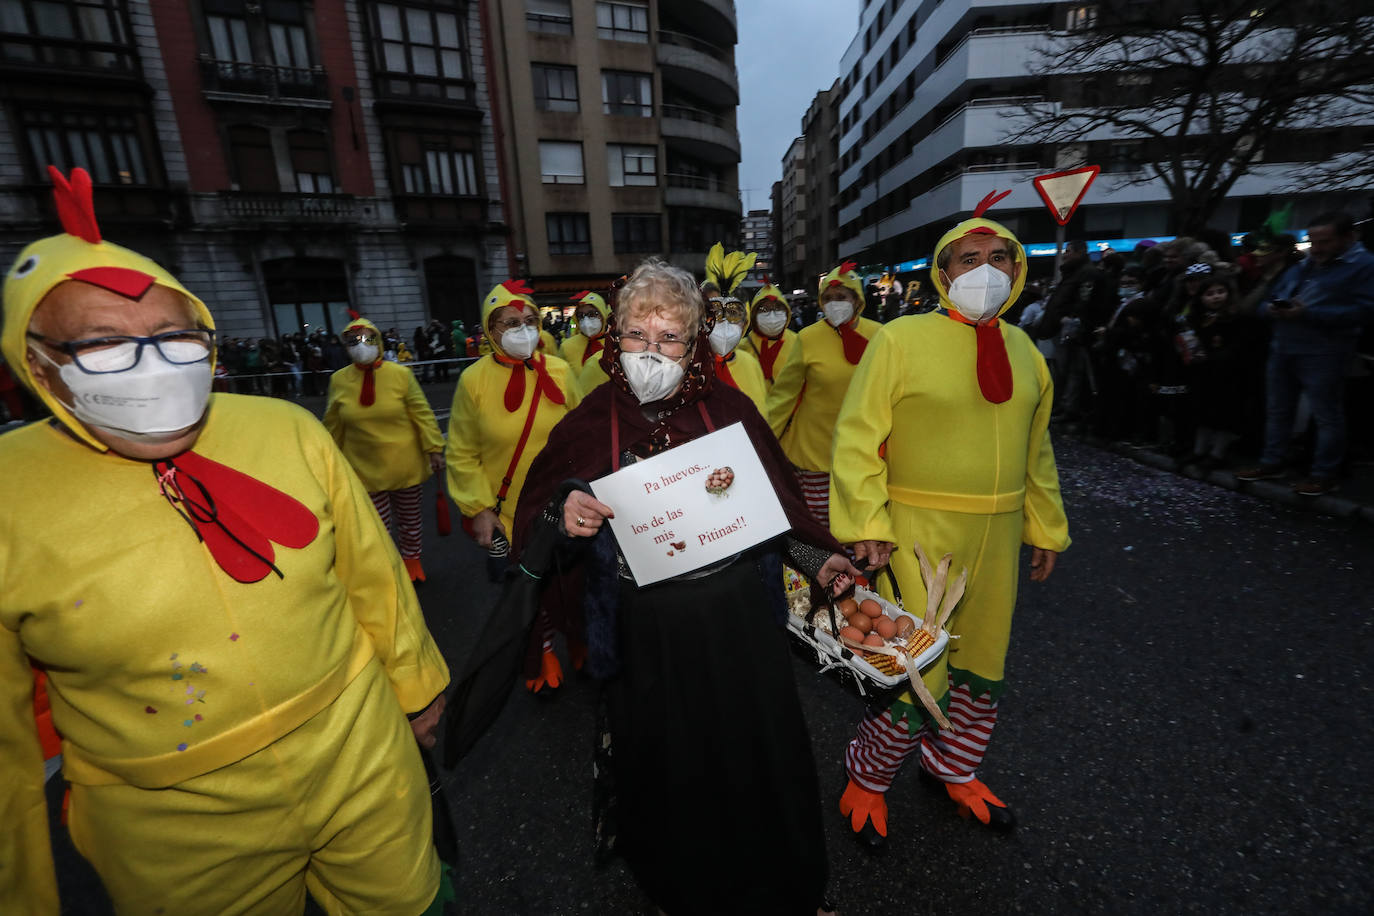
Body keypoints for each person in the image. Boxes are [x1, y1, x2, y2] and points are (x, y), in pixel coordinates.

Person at [1, 167, 450, 913]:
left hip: (361, 753)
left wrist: (418, 687)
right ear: (36, 361)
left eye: (174, 337)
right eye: (104, 344)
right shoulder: (10, 493)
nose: (152, 365)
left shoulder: (287, 429)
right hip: (172, 826)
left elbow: (371, 577)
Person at [513, 258, 855, 916]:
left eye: (670, 336)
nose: (652, 351)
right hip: (648, 630)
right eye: (637, 334)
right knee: (673, 765)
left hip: (737, 621)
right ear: (615, 338)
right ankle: (688, 893)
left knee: (762, 754)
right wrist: (566, 514)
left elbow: (780, 505)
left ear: (694, 342)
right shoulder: (590, 421)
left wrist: (820, 560)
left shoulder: (728, 409)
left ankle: (790, 889)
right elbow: (539, 516)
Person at [828, 193, 1070, 846]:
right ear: (942, 273)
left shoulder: (1027, 350)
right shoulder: (900, 339)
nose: (985, 269)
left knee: (982, 662)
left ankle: (953, 767)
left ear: (1018, 269)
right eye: (969, 259)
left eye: (999, 258)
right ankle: (867, 777)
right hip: (918, 533)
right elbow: (857, 436)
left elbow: (1037, 449)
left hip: (997, 534)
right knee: (914, 665)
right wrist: (866, 524)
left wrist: (1045, 526)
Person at [446, 279, 581, 692]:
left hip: (565, 501)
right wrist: (478, 509)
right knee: (530, 589)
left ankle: (581, 641)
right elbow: (462, 452)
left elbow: (583, 432)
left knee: (574, 580)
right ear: (491, 329)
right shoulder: (473, 380)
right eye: (510, 322)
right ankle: (543, 651)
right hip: (510, 510)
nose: (523, 330)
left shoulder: (560, 370)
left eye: (530, 320)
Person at [1235, 211, 1374, 495]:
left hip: (1326, 350)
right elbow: (1269, 300)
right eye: (1312, 241)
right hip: (1285, 344)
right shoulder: (1303, 265)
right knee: (1278, 409)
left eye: (1325, 241)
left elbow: (1365, 312)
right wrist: (1271, 309)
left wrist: (1309, 314)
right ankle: (1272, 461)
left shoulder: (1364, 266)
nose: (1317, 248)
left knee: (1326, 414)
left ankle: (1324, 473)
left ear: (1348, 237)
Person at [325, 314, 447, 582]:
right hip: (363, 467)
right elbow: (333, 423)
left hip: (404, 464)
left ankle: (412, 561)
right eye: (353, 341)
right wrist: (326, 459)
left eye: (367, 339)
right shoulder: (339, 380)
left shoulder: (400, 375)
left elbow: (422, 414)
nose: (361, 345)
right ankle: (385, 565)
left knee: (409, 519)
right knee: (374, 524)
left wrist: (434, 448)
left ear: (378, 341)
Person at [777, 261, 882, 526]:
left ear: (857, 299)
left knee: (859, 524)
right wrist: (764, 436)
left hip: (864, 450)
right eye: (828, 298)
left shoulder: (880, 335)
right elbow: (784, 395)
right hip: (815, 450)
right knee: (821, 526)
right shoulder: (808, 337)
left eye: (841, 297)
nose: (834, 304)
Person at [742, 281, 805, 435]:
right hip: (754, 424)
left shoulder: (800, 342)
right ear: (754, 314)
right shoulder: (741, 347)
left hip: (792, 426)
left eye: (777, 309)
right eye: (764, 310)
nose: (771, 315)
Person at [559, 289, 612, 394]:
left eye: (592, 314)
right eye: (581, 316)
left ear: (603, 314)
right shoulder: (567, 346)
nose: (586, 320)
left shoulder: (616, 343)